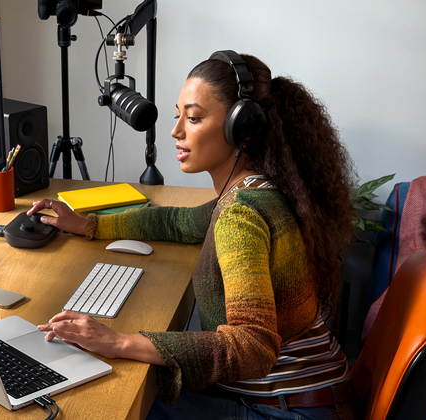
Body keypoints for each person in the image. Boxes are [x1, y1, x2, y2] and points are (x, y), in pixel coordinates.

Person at [28, 51, 357, 420]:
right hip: (318, 392)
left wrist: (120, 341)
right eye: (178, 115)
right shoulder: (257, 190)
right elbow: (177, 223)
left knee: (109, 403)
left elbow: (252, 347)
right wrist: (89, 225)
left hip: (287, 410)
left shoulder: (240, 214)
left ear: (241, 128)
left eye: (194, 117)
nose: (175, 131)